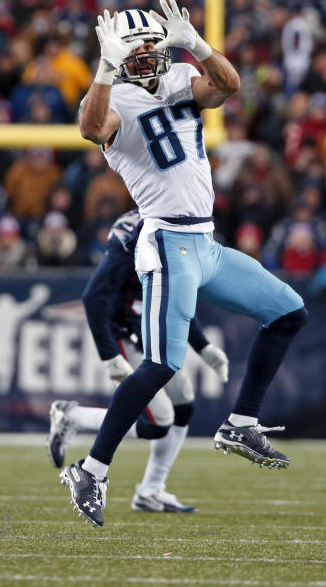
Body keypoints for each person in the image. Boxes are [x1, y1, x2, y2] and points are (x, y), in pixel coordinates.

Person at [60, 0, 308, 526]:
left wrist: (196, 43)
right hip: (168, 240)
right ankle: (93, 470)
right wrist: (104, 69)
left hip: (206, 244)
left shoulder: (179, 78)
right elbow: (89, 127)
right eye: (136, 48)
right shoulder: (114, 97)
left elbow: (229, 85)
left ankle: (241, 421)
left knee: (288, 312)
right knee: (162, 365)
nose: (148, 54)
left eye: (154, 44)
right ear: (117, 57)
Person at [47, 209, 229, 513]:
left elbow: (178, 298)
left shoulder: (185, 225)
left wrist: (204, 347)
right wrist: (109, 355)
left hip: (151, 328)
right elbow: (93, 297)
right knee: (158, 423)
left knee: (184, 402)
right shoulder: (134, 233)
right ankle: (72, 416)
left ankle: (151, 491)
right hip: (126, 330)